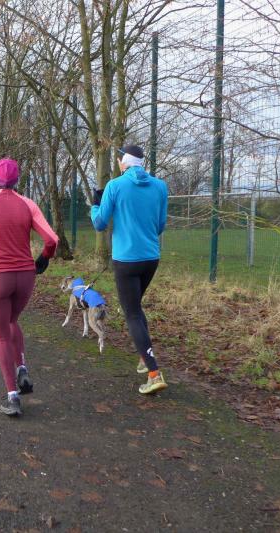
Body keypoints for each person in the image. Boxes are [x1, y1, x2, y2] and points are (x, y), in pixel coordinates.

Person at [0, 159, 58, 416]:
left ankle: (12, 397)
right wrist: (44, 258)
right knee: (12, 320)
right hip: (25, 276)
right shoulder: (28, 204)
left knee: (2, 336)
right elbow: (52, 239)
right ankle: (22, 370)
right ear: (17, 180)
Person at [90, 144, 169, 395]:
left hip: (126, 260)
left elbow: (100, 223)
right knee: (135, 308)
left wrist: (95, 205)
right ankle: (144, 357)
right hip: (151, 258)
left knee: (132, 313)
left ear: (121, 162)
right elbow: (160, 225)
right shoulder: (160, 186)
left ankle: (154, 374)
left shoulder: (115, 186)